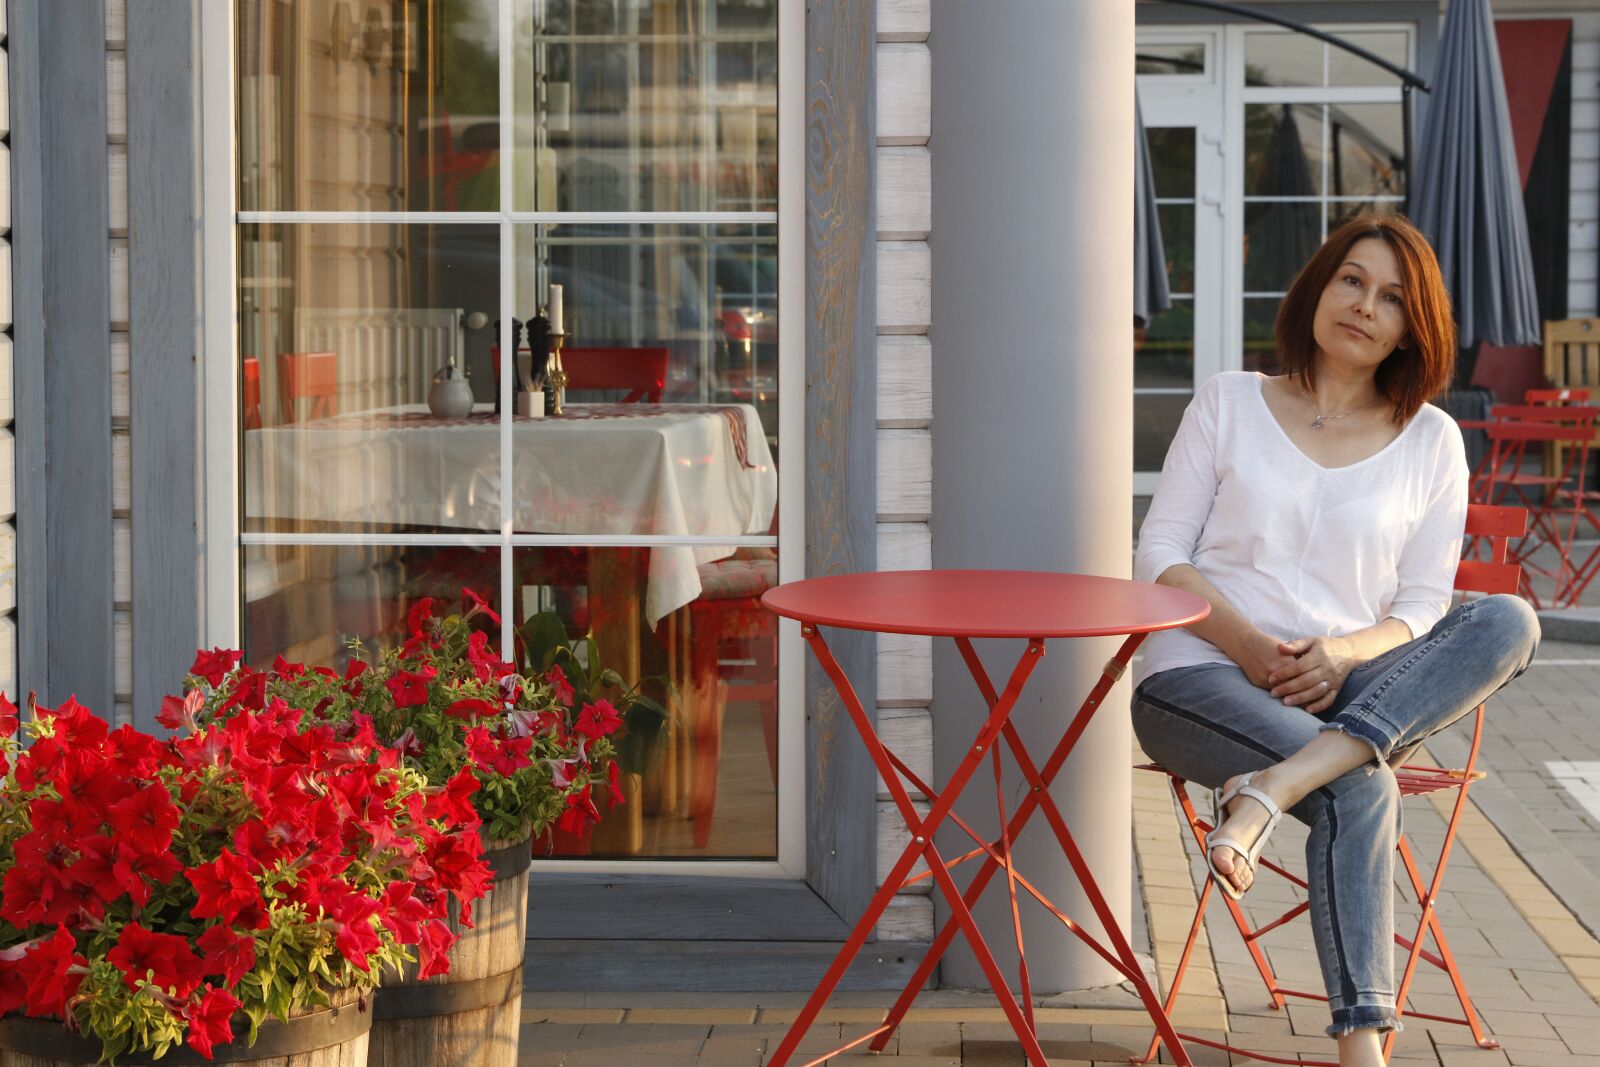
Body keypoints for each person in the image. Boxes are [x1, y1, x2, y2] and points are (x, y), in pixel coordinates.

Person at [1131, 213, 1539, 1066]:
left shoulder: (1432, 440)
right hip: (1199, 673)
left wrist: (1345, 654)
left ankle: (1271, 788)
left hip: (1345, 684)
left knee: (1508, 619)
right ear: (1318, 285)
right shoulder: (1229, 400)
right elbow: (1159, 554)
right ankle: (1365, 1054)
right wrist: (1245, 644)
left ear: (1410, 330)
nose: (1364, 305)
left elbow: (1423, 606)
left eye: (1392, 297)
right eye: (1351, 279)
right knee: (1365, 787)